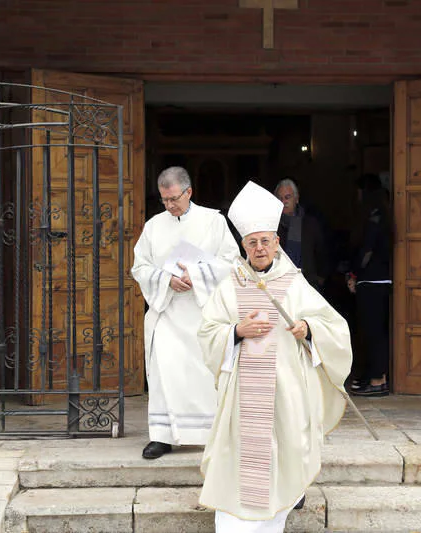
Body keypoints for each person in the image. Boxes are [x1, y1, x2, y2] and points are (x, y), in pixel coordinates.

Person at [198, 181, 352, 532]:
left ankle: (280, 507)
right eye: (252, 242)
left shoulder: (293, 282)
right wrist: (236, 331)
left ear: (277, 242)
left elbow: (335, 326)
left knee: (283, 452)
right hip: (244, 395)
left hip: (285, 390)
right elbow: (207, 332)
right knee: (242, 461)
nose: (259, 248)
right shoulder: (231, 284)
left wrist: (308, 328)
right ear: (243, 246)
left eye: (265, 240)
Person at [131, 166, 239, 459]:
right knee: (165, 372)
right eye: (164, 200)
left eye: (174, 199)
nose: (169, 206)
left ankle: (210, 435)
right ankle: (163, 436)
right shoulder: (154, 225)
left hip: (204, 313)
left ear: (189, 192)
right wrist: (166, 279)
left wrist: (197, 275)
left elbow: (232, 262)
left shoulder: (213, 221)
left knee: (203, 375)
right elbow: (139, 267)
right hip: (168, 311)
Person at [347, 173, 392, 397]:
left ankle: (376, 380)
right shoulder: (384, 215)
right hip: (384, 281)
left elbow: (366, 251)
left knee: (372, 333)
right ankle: (378, 377)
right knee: (379, 332)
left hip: (371, 282)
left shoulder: (373, 218)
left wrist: (354, 274)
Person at [274, 178, 329, 290]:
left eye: (287, 197)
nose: (284, 201)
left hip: (309, 284)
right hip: (280, 285)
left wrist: (321, 277)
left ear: (297, 198)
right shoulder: (272, 225)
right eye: (280, 198)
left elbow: (322, 251)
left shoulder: (310, 223)